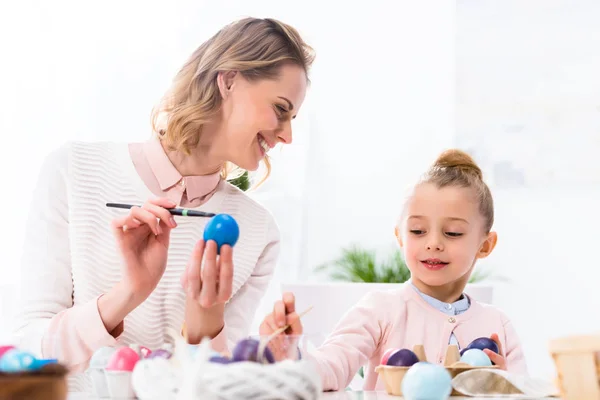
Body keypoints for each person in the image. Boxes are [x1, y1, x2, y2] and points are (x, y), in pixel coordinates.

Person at [13, 17, 314, 391]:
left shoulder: (258, 231)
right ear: (230, 80)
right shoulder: (72, 171)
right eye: (281, 109)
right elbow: (25, 355)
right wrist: (128, 293)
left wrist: (205, 321)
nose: (287, 135)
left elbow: (224, 390)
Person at [260, 149, 527, 391]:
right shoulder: (380, 309)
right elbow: (333, 365)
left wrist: (506, 388)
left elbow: (527, 392)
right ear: (400, 236)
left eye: (452, 232)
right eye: (418, 231)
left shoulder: (497, 324)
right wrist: (291, 354)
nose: (433, 243)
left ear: (485, 245)